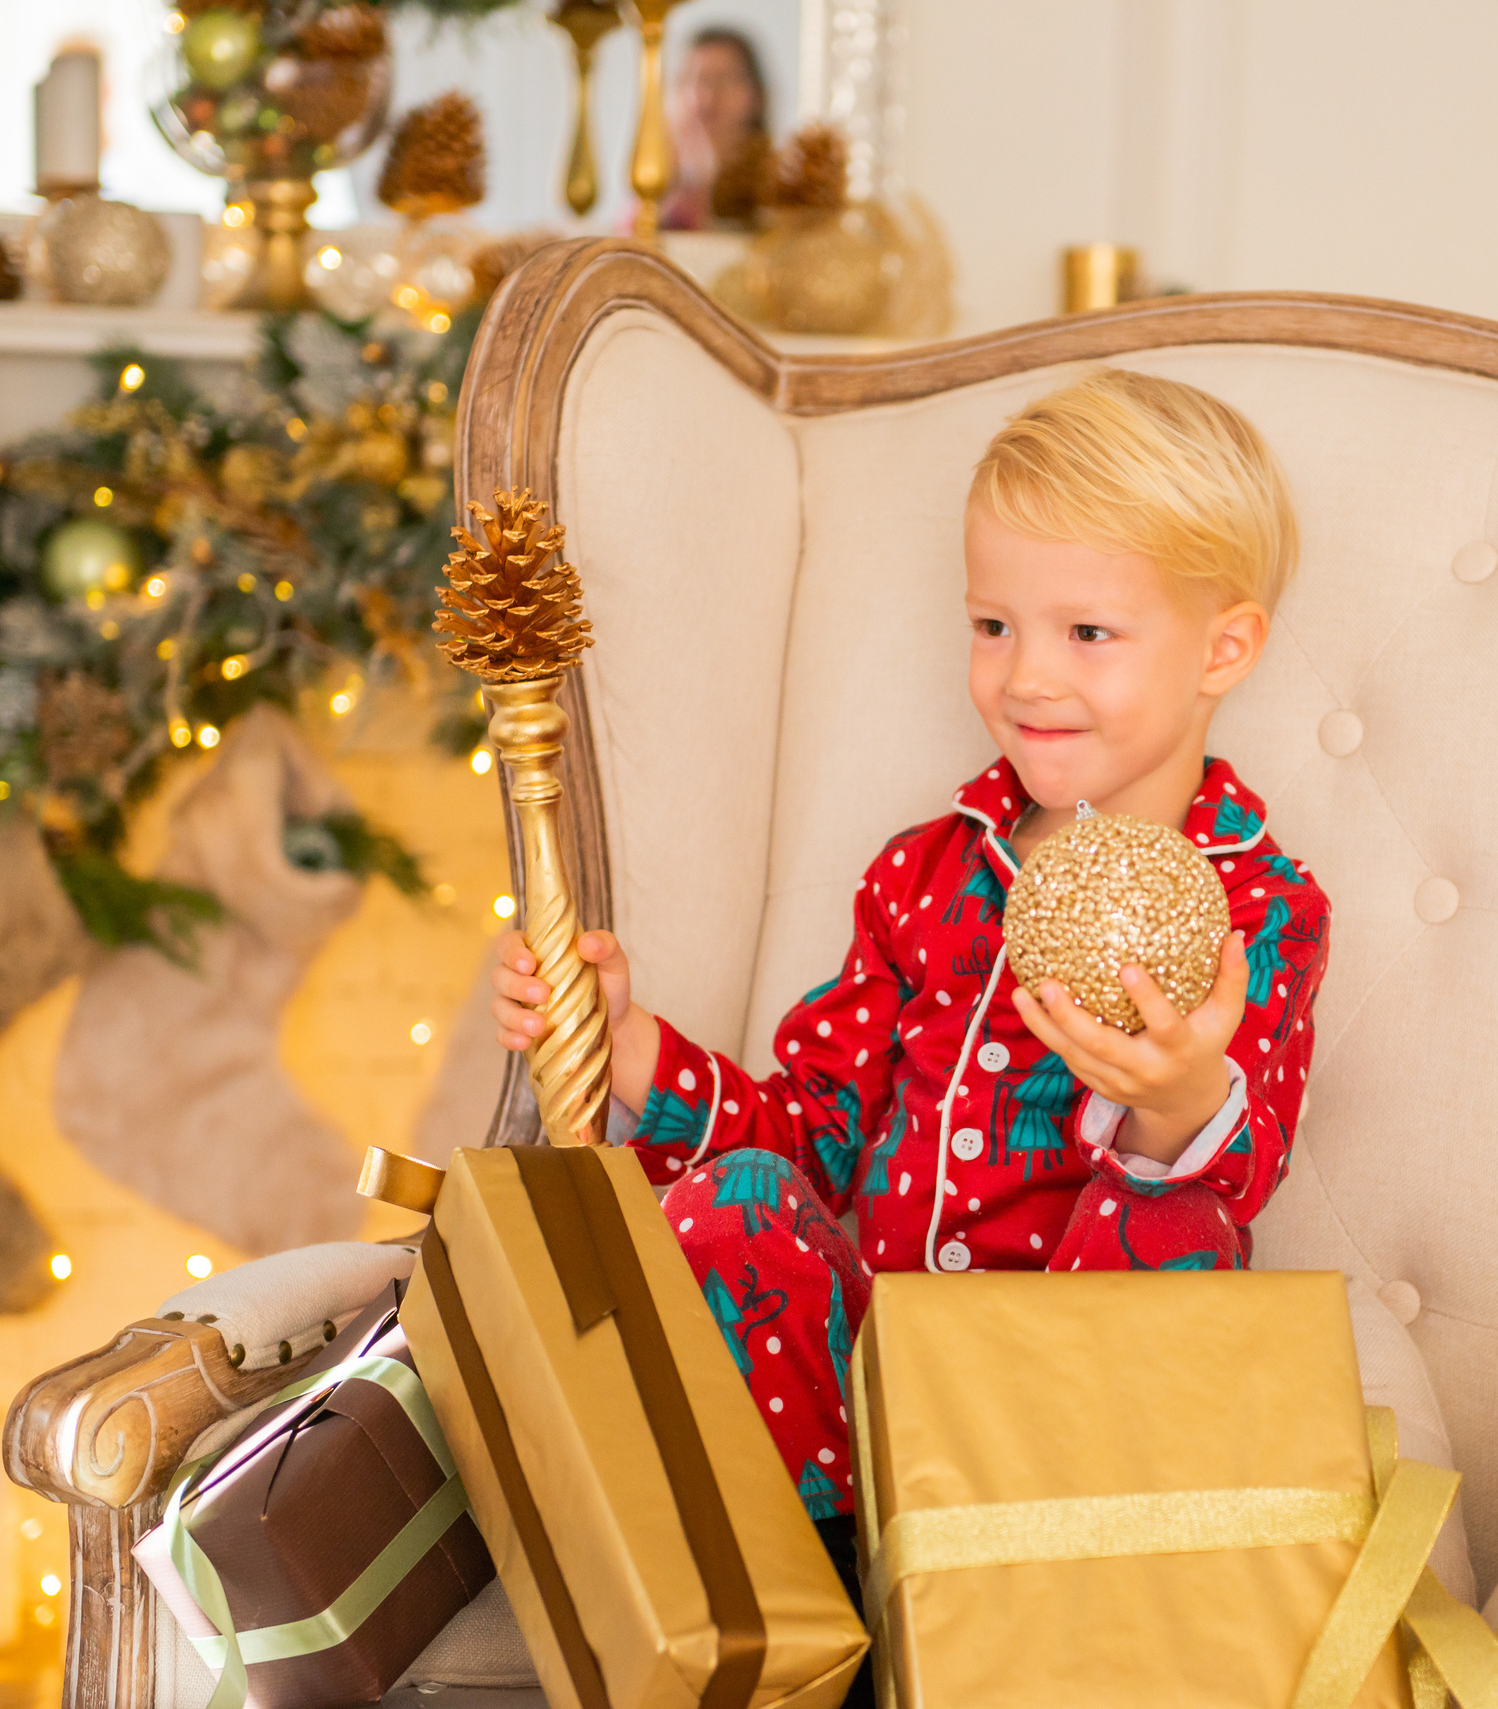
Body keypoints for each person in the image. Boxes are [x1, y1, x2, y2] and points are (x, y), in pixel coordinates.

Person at [489, 369, 1331, 1526]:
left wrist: (1178, 1101)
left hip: (1077, 1433)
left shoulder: (1257, 901)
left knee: (1178, 1215)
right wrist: (628, 1041)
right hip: (861, 1409)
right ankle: (830, 1585)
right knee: (738, 1198)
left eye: (1088, 632)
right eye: (994, 625)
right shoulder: (923, 875)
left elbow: (1241, 1172)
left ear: (1222, 650)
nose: (1026, 674)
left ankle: (1003, 1587)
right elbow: (819, 1138)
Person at [658, 26, 767, 230]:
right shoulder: (659, 184)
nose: (706, 97)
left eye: (722, 80)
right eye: (694, 80)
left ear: (755, 96)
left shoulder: (774, 187)